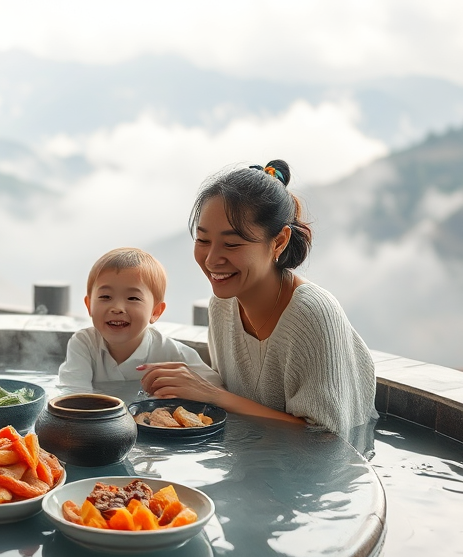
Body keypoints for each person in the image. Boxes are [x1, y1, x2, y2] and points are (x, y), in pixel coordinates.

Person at [141, 160, 377, 435]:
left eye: (232, 244)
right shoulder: (222, 305)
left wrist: (212, 395)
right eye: (203, 240)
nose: (212, 259)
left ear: (278, 242)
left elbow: (325, 440)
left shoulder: (312, 314)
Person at [58, 247, 221, 401]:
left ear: (155, 311)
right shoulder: (84, 344)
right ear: (89, 306)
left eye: (133, 298)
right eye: (105, 297)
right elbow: (73, 395)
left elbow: (214, 388)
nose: (117, 308)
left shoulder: (169, 353)